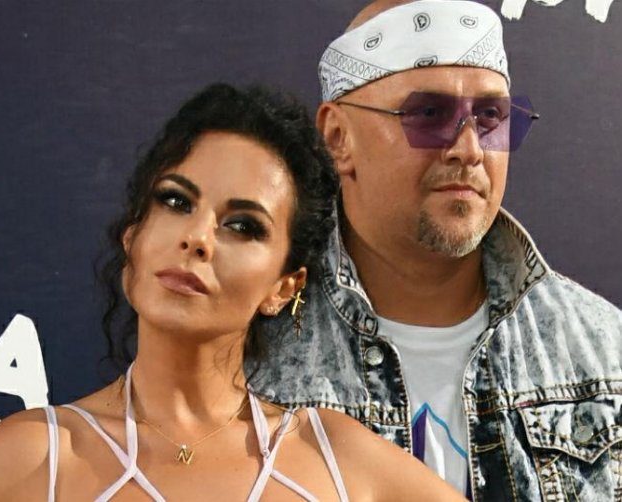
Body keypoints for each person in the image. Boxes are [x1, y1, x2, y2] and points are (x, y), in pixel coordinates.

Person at [0, 83, 464, 501]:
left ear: (284, 287)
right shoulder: (37, 458)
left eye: (243, 226)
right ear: (133, 238)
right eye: (175, 201)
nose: (197, 238)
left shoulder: (336, 461)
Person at [251, 1, 622, 500]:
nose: (469, 150)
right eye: (429, 114)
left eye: (490, 117)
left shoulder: (603, 355)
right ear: (338, 138)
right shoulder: (245, 353)